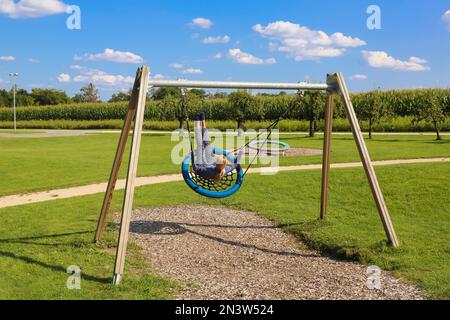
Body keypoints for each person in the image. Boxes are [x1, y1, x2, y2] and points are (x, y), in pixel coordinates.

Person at [193, 112, 241, 183]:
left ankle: (199, 119)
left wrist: (192, 156)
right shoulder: (223, 170)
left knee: (201, 141)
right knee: (203, 138)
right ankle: (201, 119)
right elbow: (234, 164)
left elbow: (196, 168)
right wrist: (241, 152)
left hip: (203, 162)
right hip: (208, 158)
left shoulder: (209, 171)